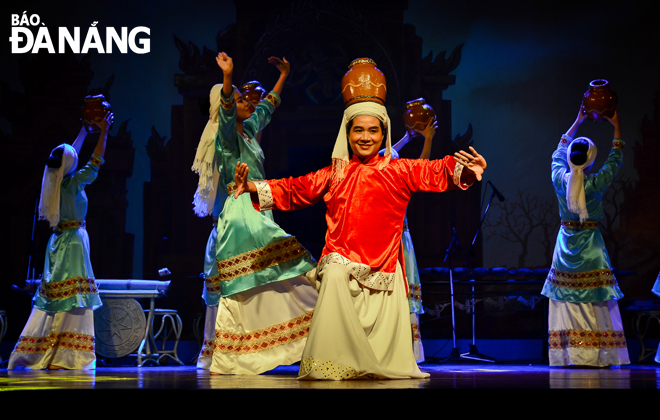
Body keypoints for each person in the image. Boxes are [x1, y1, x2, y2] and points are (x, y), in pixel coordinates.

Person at [232, 57, 486, 380]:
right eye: (359, 130)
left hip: (384, 273)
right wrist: (252, 185)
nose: (365, 138)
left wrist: (464, 169)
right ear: (347, 132)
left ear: (384, 133)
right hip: (344, 267)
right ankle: (333, 364)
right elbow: (297, 188)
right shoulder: (335, 173)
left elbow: (434, 171)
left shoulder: (398, 171)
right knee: (335, 271)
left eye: (373, 131)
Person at [193, 52, 318, 375]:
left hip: (258, 207)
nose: (246, 102)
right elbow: (226, 109)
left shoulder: (248, 128)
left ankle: (262, 350)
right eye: (239, 100)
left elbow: (267, 106)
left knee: (264, 281)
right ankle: (234, 353)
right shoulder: (228, 138)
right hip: (240, 212)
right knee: (277, 272)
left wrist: (285, 75)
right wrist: (227, 78)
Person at [8, 112, 113, 370]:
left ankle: (53, 352)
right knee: (74, 298)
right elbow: (94, 162)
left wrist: (83, 132)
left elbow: (68, 158)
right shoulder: (74, 183)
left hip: (57, 243)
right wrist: (104, 132)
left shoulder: (54, 181)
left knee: (58, 298)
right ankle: (66, 355)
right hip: (74, 242)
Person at [541, 104, 630, 367]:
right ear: (590, 160)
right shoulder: (595, 184)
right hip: (591, 244)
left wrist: (578, 120)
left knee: (567, 301)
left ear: (571, 158)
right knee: (594, 300)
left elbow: (559, 150)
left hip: (566, 243)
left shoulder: (560, 179)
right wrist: (616, 126)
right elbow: (616, 158)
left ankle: (571, 354)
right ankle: (596, 355)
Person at [379, 120, 437, 362]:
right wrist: (424, 139)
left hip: (399, 242)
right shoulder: (380, 176)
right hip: (384, 244)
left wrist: (412, 138)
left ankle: (401, 352)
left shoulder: (396, 178)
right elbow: (387, 156)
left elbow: (419, 166)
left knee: (402, 294)